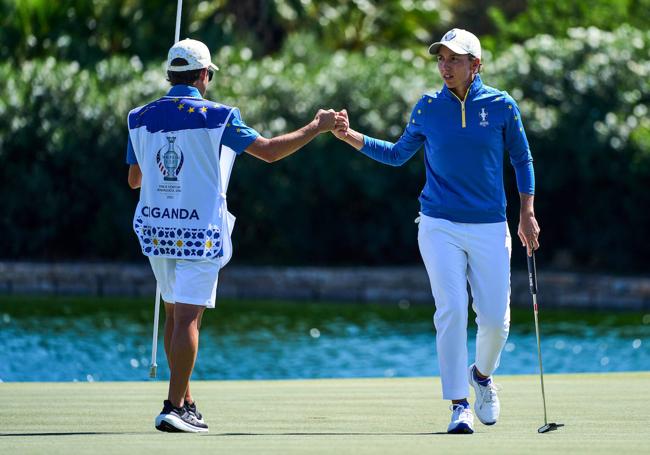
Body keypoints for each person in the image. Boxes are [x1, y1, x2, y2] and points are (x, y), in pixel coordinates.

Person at [126, 38, 343, 433]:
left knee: (176, 316)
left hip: (156, 231)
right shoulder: (220, 116)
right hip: (198, 232)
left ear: (169, 75)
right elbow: (270, 152)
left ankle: (186, 401)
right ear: (204, 75)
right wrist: (318, 126)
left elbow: (134, 178)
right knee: (188, 318)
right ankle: (173, 407)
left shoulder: (138, 117)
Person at [333, 28, 540, 434]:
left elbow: (522, 157)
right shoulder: (427, 107)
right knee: (451, 310)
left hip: (489, 224)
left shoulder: (501, 105)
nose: (445, 66)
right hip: (438, 224)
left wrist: (527, 211)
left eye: (455, 59)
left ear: (475, 65)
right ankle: (458, 404)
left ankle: (480, 377)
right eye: (441, 59)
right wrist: (349, 135)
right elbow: (396, 155)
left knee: (496, 321)